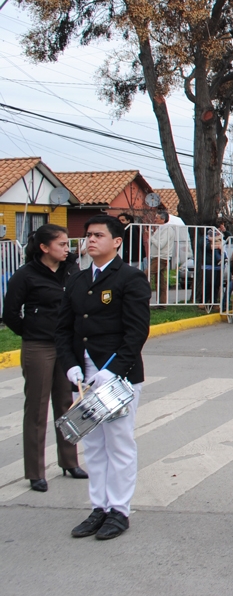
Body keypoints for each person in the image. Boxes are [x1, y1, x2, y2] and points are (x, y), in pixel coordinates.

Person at [55, 214, 151, 540]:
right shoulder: (77, 280)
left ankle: (119, 511)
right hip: (83, 377)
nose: (91, 240)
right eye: (88, 235)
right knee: (93, 445)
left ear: (117, 241)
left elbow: (136, 331)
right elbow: (64, 329)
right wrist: (70, 365)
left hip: (117, 376)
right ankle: (99, 507)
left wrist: (113, 371)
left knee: (119, 444)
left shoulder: (130, 278)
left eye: (98, 235)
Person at [2, 224, 86, 492]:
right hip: (38, 345)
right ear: (44, 247)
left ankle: (69, 461)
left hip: (66, 346)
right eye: (61, 244)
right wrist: (31, 332)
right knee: (37, 408)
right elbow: (11, 313)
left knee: (67, 404)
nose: (67, 248)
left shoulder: (72, 269)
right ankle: (35, 471)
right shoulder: (25, 275)